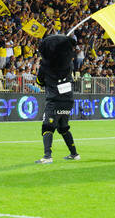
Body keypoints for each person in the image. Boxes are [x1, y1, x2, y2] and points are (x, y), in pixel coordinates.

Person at [35, 34, 80, 164]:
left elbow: (40, 82)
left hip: (54, 101)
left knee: (47, 127)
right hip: (68, 100)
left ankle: (47, 156)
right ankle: (74, 154)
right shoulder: (69, 65)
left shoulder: (46, 67)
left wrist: (43, 67)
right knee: (63, 127)